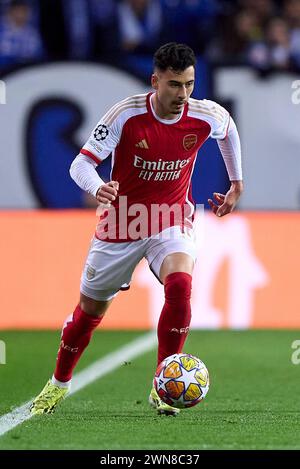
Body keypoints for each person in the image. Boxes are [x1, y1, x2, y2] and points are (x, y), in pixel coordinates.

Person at [30, 42, 243, 416]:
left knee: (180, 286)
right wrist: (98, 187)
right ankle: (58, 384)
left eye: (190, 84)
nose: (183, 94)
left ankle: (163, 386)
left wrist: (236, 182)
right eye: (175, 85)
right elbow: (79, 164)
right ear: (155, 80)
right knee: (88, 315)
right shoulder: (125, 115)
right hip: (123, 221)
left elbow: (228, 131)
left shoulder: (204, 115)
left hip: (171, 217)